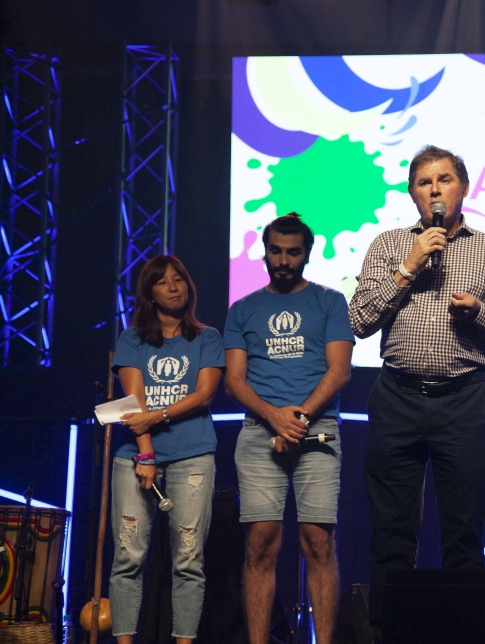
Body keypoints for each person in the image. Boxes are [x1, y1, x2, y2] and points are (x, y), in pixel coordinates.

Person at [348, 145, 485, 585]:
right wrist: (407, 267)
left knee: (463, 537)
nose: (435, 189)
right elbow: (359, 321)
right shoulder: (389, 245)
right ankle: (390, 633)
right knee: (390, 535)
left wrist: (480, 314)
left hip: (464, 401)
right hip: (398, 397)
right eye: (424, 182)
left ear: (464, 189)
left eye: (444, 180)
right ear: (413, 194)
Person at [224, 212, 354, 644]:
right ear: (264, 252)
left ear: (307, 254)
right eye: (276, 251)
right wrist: (275, 416)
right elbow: (234, 381)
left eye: (292, 252)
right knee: (261, 542)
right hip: (260, 432)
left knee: (318, 542)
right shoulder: (242, 309)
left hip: (318, 432)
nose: (283, 260)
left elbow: (339, 372)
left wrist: (298, 418)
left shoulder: (331, 301)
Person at [109, 255, 224, 643]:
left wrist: (155, 419)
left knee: (189, 561)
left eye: (179, 279)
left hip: (192, 456)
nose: (174, 287)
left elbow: (205, 395)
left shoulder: (206, 337)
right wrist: (145, 455)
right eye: (163, 282)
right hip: (134, 459)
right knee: (128, 558)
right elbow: (133, 403)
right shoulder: (132, 338)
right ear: (149, 293)